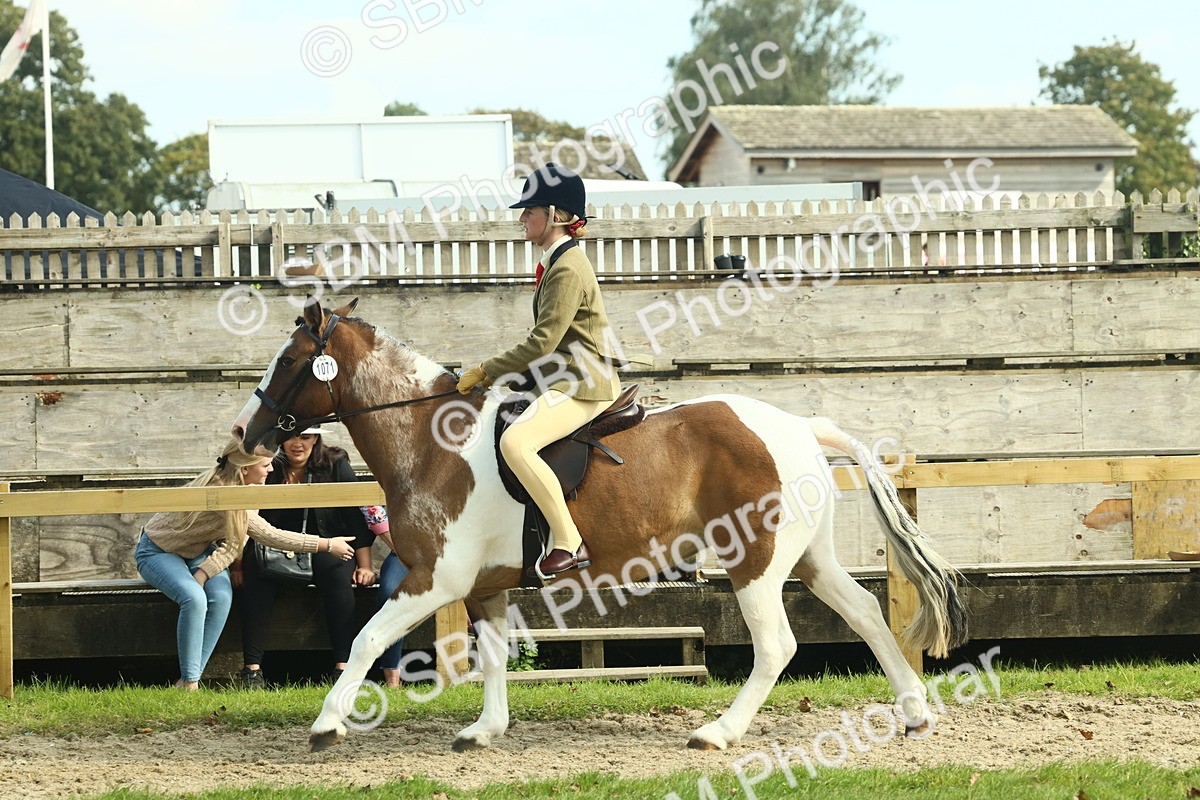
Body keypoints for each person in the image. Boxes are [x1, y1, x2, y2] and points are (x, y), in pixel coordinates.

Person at [456, 162, 623, 579]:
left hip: (585, 382)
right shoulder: (557, 260)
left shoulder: (567, 266)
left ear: (554, 215)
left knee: (516, 444)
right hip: (562, 375)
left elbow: (543, 341)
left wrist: (485, 370)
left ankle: (568, 540)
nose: (521, 219)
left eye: (529, 211)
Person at [134, 438, 356, 691]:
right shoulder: (221, 491)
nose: (271, 470)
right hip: (158, 551)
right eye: (266, 466)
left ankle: (187, 678)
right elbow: (270, 535)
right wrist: (326, 544)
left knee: (221, 598)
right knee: (194, 598)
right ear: (244, 469)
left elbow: (234, 544)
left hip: (199, 552)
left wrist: (205, 572)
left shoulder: (249, 492)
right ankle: (191, 682)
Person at [234, 426, 378, 688]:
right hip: (275, 545)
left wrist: (366, 565)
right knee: (255, 575)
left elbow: (356, 519)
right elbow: (240, 517)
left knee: (337, 574)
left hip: (331, 545)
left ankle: (343, 668)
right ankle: (252, 670)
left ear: (316, 438)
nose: (296, 443)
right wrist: (237, 565)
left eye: (305, 436)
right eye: (290, 436)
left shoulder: (335, 464)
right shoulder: (268, 466)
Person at [362, 504, 409, 687]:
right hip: (403, 546)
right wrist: (401, 548)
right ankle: (392, 679)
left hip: (448, 546)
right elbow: (369, 506)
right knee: (390, 594)